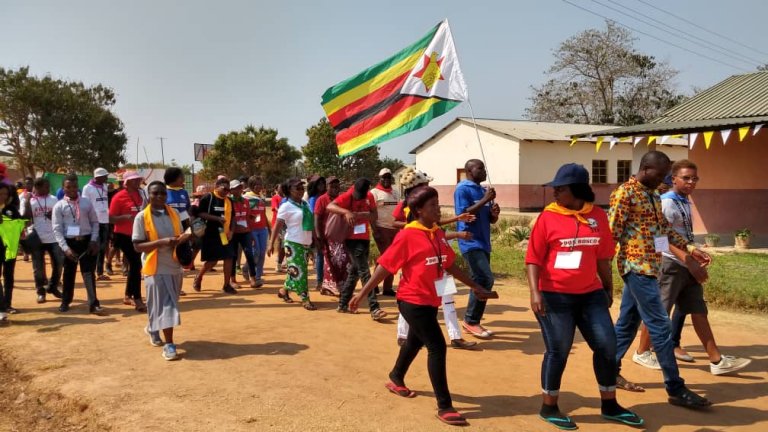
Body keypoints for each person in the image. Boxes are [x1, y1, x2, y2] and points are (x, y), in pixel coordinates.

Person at [350, 186, 496, 427]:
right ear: (418, 210)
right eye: (433, 207)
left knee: (415, 342)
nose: (438, 210)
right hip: (412, 301)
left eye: (438, 205)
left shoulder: (436, 232)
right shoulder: (408, 235)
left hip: (431, 299)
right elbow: (385, 267)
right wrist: (363, 293)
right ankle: (445, 406)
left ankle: (396, 377)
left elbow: (449, 265)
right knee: (437, 347)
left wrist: (475, 286)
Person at [526, 163, 643, 430]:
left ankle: (610, 404)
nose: (554, 191)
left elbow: (603, 256)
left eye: (560, 187)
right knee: (559, 351)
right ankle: (549, 406)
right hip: (554, 296)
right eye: (555, 187)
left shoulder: (598, 217)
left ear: (577, 189)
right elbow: (533, 259)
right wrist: (535, 293)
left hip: (590, 294)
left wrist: (607, 287)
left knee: (607, 346)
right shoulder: (547, 217)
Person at [609, 151, 712, 409]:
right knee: (660, 326)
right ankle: (675, 388)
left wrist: (689, 249)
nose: (664, 178)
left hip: (651, 267)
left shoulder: (653, 195)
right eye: (661, 173)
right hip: (635, 267)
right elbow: (611, 234)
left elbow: (662, 233)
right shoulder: (625, 193)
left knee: (627, 323)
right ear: (646, 169)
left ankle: (608, 370)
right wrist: (602, 275)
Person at [632, 159, 751, 375]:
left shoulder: (685, 200)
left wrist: (693, 252)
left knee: (698, 310)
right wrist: (687, 259)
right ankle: (642, 351)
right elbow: (660, 238)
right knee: (660, 311)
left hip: (687, 262)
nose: (691, 182)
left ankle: (716, 360)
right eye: (686, 178)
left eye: (694, 178)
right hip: (670, 264)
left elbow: (682, 234)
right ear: (673, 179)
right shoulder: (667, 202)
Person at [393, 167, 478, 350]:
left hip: (439, 260)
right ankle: (403, 334)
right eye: (426, 184)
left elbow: (436, 227)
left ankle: (454, 336)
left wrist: (456, 222)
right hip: (422, 265)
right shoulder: (412, 209)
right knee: (413, 298)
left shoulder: (422, 206)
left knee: (447, 297)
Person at [133, 181, 190, 361]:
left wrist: (188, 235)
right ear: (148, 195)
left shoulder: (174, 213)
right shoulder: (141, 217)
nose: (159, 197)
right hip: (155, 267)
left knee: (164, 303)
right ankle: (170, 345)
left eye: (163, 194)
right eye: (155, 193)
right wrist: (161, 242)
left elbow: (181, 236)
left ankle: (152, 327)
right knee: (168, 306)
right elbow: (137, 246)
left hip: (174, 266)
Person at [327, 178, 387, 320]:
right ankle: (374, 308)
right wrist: (346, 212)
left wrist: (362, 215)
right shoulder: (347, 195)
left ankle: (342, 304)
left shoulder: (370, 196)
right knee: (365, 272)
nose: (359, 197)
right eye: (357, 195)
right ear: (353, 189)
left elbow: (374, 216)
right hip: (351, 239)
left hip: (364, 237)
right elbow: (330, 206)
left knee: (354, 272)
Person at [455, 159, 500, 338]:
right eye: (480, 168)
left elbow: (490, 220)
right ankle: (471, 320)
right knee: (485, 278)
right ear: (469, 170)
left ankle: (473, 321)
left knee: (479, 279)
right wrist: (485, 200)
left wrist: (494, 213)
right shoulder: (462, 189)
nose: (484, 171)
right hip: (470, 240)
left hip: (484, 241)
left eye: (484, 167)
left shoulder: (483, 190)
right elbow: (463, 214)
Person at [52, 174, 105, 315]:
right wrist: (65, 248)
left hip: (87, 242)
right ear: (63, 188)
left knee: (88, 274)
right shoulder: (59, 206)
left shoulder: (86, 203)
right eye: (68, 187)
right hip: (69, 243)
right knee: (69, 274)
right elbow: (57, 229)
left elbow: (94, 222)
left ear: (78, 187)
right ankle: (66, 301)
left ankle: (94, 304)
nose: (72, 189)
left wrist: (93, 240)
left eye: (74, 186)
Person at [267, 177, 316, 310]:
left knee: (294, 270)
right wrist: (271, 243)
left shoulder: (304, 204)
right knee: (301, 272)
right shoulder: (286, 206)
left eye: (302, 188)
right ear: (289, 190)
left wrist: (315, 239)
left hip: (306, 241)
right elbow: (277, 225)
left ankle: (284, 290)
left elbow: (311, 223)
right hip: (293, 242)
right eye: (297, 188)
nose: (301, 191)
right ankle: (305, 298)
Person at [109, 171, 147, 312]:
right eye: (134, 180)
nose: (137, 181)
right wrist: (125, 217)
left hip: (139, 235)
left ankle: (127, 295)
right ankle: (137, 298)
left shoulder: (142, 194)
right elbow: (111, 218)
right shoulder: (118, 197)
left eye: (138, 179)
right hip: (123, 235)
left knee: (135, 265)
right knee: (136, 264)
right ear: (127, 182)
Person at [22, 177, 64, 303]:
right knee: (38, 268)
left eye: (48, 186)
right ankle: (41, 292)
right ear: (38, 187)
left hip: (53, 237)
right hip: (37, 238)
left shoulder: (53, 199)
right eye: (45, 187)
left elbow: (60, 216)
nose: (48, 189)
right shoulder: (31, 201)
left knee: (59, 263)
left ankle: (52, 287)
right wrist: (27, 203)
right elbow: (26, 219)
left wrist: (54, 216)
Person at [194, 177, 237, 294]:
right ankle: (199, 276)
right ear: (217, 186)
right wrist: (216, 218)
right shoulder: (208, 198)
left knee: (228, 257)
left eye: (228, 190)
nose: (226, 192)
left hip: (224, 234)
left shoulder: (229, 201)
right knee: (213, 261)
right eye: (224, 189)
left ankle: (226, 285)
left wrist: (232, 231)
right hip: (211, 234)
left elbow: (233, 218)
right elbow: (200, 213)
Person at [370, 168, 400, 296]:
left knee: (390, 258)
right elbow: (371, 213)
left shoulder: (396, 192)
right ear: (380, 178)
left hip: (395, 229)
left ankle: (387, 288)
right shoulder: (374, 193)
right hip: (381, 228)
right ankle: (374, 285)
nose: (387, 179)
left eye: (389, 177)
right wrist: (375, 230)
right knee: (387, 257)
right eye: (384, 177)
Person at [313, 176, 344, 297]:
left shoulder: (342, 199)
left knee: (337, 262)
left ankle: (330, 286)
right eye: (332, 186)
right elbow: (316, 218)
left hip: (338, 237)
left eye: (337, 186)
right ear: (327, 187)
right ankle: (325, 284)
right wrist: (319, 237)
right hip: (325, 236)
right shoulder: (321, 199)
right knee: (326, 261)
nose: (335, 188)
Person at [0, 182, 27, 319]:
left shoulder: (11, 210)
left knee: (8, 276)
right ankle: (1, 306)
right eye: (0, 193)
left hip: (10, 248)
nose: (2, 196)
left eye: (5, 194)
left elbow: (20, 227)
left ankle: (7, 304)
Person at [82, 168, 112, 281]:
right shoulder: (87, 188)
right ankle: (90, 272)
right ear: (97, 177)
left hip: (105, 220)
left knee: (103, 248)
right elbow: (85, 204)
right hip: (93, 221)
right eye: (104, 176)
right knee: (93, 247)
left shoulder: (104, 187)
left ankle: (100, 273)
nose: (106, 178)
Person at [229, 179, 258, 288]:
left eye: (240, 187)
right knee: (233, 255)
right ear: (231, 190)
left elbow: (247, 216)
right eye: (236, 188)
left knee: (249, 254)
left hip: (245, 232)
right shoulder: (228, 201)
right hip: (233, 233)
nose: (239, 189)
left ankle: (253, 279)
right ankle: (232, 280)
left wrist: (251, 231)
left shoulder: (245, 201)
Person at [244, 176, 270, 288]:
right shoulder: (246, 198)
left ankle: (258, 276)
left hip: (262, 229)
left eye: (260, 184)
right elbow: (246, 214)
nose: (259, 186)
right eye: (256, 184)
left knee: (262, 253)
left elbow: (263, 213)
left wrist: (268, 227)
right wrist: (253, 219)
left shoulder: (261, 197)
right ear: (251, 186)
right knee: (256, 252)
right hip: (252, 229)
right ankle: (248, 270)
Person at [306, 175, 326, 291]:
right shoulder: (313, 199)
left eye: (323, 183)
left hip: (328, 229)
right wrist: (316, 235)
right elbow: (314, 217)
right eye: (319, 184)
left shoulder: (325, 196)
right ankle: (319, 281)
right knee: (320, 255)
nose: (322, 186)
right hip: (318, 230)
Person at [270, 183, 287, 273]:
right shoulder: (275, 197)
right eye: (280, 188)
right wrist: (285, 212)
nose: (282, 189)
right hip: (278, 223)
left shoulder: (285, 198)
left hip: (285, 224)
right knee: (281, 243)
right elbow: (275, 208)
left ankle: (280, 262)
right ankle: (279, 263)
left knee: (283, 244)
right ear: (276, 189)